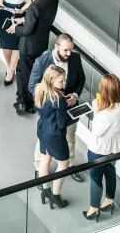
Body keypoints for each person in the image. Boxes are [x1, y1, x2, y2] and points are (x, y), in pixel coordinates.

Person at [29, 34, 86, 184]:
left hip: (70, 107)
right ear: (57, 47)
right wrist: (51, 100)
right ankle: (38, 167)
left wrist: (74, 95)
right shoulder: (42, 62)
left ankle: (69, 165)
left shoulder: (75, 58)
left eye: (71, 50)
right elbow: (32, 86)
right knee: (44, 141)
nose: (69, 53)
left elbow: (81, 79)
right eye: (66, 50)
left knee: (70, 139)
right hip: (50, 112)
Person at [83, 74, 120, 221]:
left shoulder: (105, 115)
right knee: (110, 171)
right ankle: (109, 200)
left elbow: (97, 132)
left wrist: (96, 110)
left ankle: (94, 208)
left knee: (95, 178)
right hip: (116, 147)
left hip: (99, 150)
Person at [7, 0, 59, 114]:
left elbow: (27, 30)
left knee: (24, 73)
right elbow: (39, 17)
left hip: (28, 46)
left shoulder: (35, 5)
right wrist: (24, 19)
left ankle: (24, 103)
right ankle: (31, 100)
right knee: (33, 72)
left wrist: (15, 28)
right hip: (41, 43)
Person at [35, 65, 70, 209]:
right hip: (55, 135)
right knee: (64, 165)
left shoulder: (40, 90)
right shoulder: (59, 99)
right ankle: (56, 195)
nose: (64, 83)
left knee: (45, 159)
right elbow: (62, 123)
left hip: (43, 130)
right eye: (61, 81)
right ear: (51, 80)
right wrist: (73, 114)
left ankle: (45, 190)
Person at [0, 0, 32, 86]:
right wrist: (0, 1)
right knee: (5, 44)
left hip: (18, 11)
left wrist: (21, 10)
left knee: (16, 44)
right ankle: (10, 68)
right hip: (5, 10)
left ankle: (10, 72)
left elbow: (30, 1)